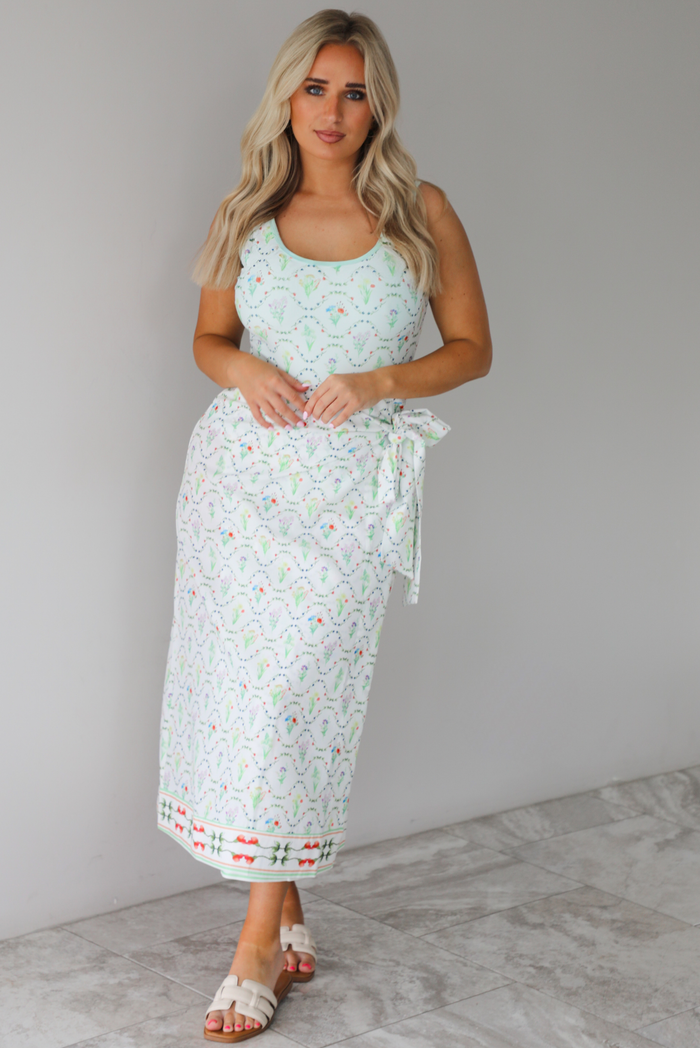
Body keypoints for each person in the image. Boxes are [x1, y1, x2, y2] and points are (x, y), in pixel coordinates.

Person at [157, 9, 491, 1042]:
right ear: (287, 97)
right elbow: (209, 339)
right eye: (316, 88)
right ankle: (279, 917)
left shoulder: (421, 211)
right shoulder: (246, 212)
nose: (333, 110)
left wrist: (380, 380)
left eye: (354, 91)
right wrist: (246, 368)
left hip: (351, 493)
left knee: (296, 697)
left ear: (378, 103)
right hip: (240, 487)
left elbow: (472, 347)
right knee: (252, 701)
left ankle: (257, 945)